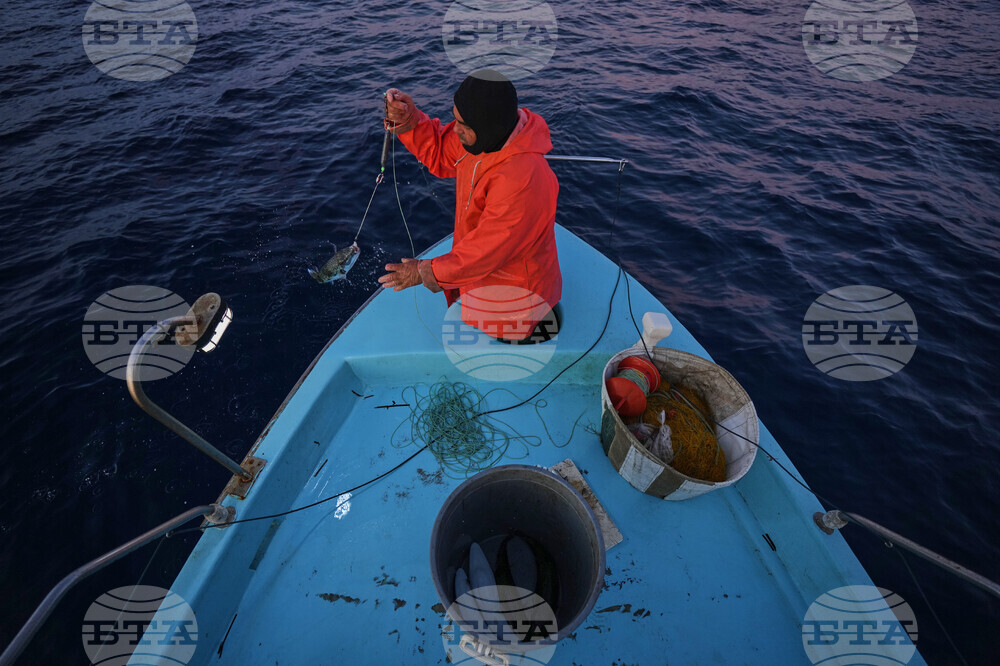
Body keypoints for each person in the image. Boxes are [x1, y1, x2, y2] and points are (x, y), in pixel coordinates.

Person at [377, 70, 561, 343]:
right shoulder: (487, 134)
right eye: (456, 118)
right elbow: (440, 151)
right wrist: (409, 120)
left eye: (463, 124)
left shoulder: (523, 181)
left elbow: (483, 254)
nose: (456, 128)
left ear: (487, 127)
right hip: (483, 281)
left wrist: (424, 271)